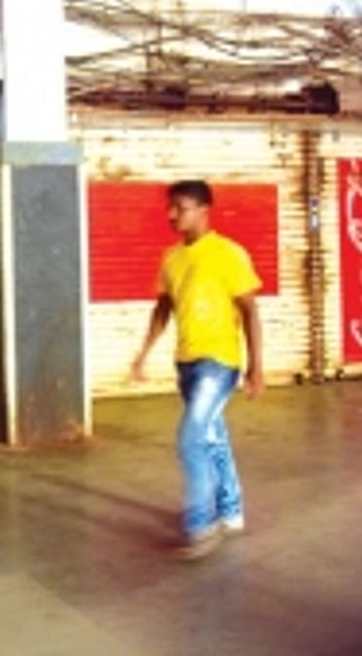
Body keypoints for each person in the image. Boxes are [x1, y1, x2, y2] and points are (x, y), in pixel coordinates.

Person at [130, 179, 264, 561]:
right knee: (212, 437)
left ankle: (201, 524)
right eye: (170, 208)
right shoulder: (172, 258)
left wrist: (257, 367)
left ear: (204, 210)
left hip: (219, 363)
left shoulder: (228, 254)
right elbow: (163, 308)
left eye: (181, 208)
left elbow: (250, 310)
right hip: (186, 363)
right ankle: (232, 511)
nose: (172, 215)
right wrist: (143, 353)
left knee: (190, 437)